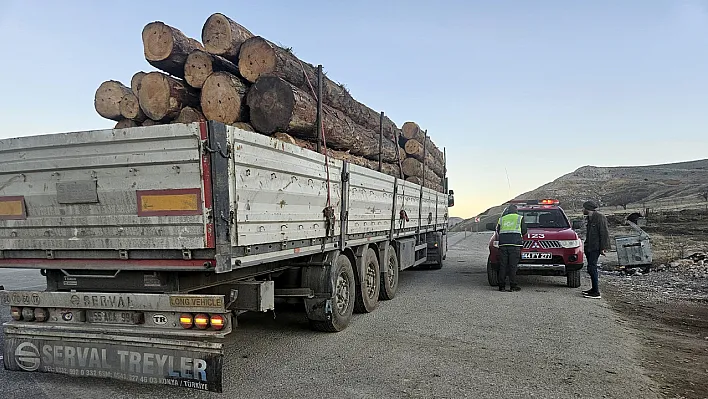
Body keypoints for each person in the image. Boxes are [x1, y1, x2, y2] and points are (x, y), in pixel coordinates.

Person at [582, 200, 611, 299]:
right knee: (590, 268)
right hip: (589, 246)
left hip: (595, 247)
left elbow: (604, 233)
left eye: (584, 208)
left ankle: (596, 292)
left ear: (587, 208)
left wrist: (603, 248)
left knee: (592, 267)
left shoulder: (600, 217)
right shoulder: (590, 218)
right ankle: (593, 289)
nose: (583, 210)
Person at [496, 204, 527, 292]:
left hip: (503, 245)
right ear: (516, 210)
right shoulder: (519, 218)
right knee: (512, 266)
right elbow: (524, 230)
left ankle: (501, 286)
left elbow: (498, 230)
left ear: (508, 211)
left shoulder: (502, 219)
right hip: (515, 245)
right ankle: (513, 286)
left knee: (503, 265)